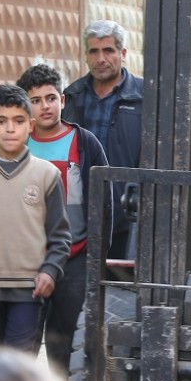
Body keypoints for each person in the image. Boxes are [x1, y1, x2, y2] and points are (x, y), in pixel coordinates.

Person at [0, 86, 71, 355]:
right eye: (1, 121)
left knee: (17, 365)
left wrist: (50, 271)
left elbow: (60, 236)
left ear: (31, 125)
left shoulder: (47, 175)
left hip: (29, 289)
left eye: (18, 121)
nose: (10, 129)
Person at [18, 64, 111, 374]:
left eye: (50, 98)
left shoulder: (85, 143)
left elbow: (104, 204)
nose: (45, 106)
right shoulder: (18, 144)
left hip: (75, 261)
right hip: (28, 262)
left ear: (63, 100)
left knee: (69, 346)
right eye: (35, 100)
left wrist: (97, 256)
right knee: (22, 345)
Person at [61, 20, 144, 260]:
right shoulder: (72, 96)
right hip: (79, 217)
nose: (101, 59)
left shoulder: (145, 97)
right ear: (86, 55)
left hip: (127, 218)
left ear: (123, 53)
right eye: (93, 52)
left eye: (108, 51)